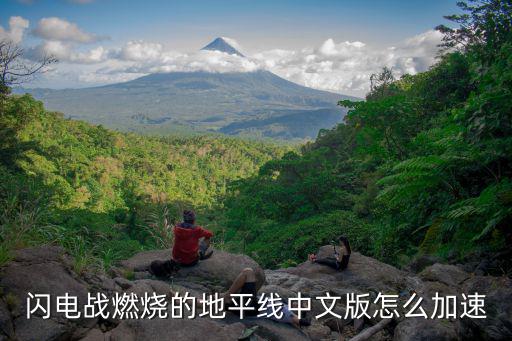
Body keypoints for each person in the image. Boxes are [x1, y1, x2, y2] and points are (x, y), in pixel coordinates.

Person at [220, 268, 311, 328]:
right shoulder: (284, 304)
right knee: (252, 275)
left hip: (252, 307)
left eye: (299, 305)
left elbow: (304, 322)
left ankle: (227, 297)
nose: (297, 303)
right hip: (251, 304)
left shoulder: (288, 313)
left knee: (248, 272)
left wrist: (305, 315)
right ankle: (228, 302)